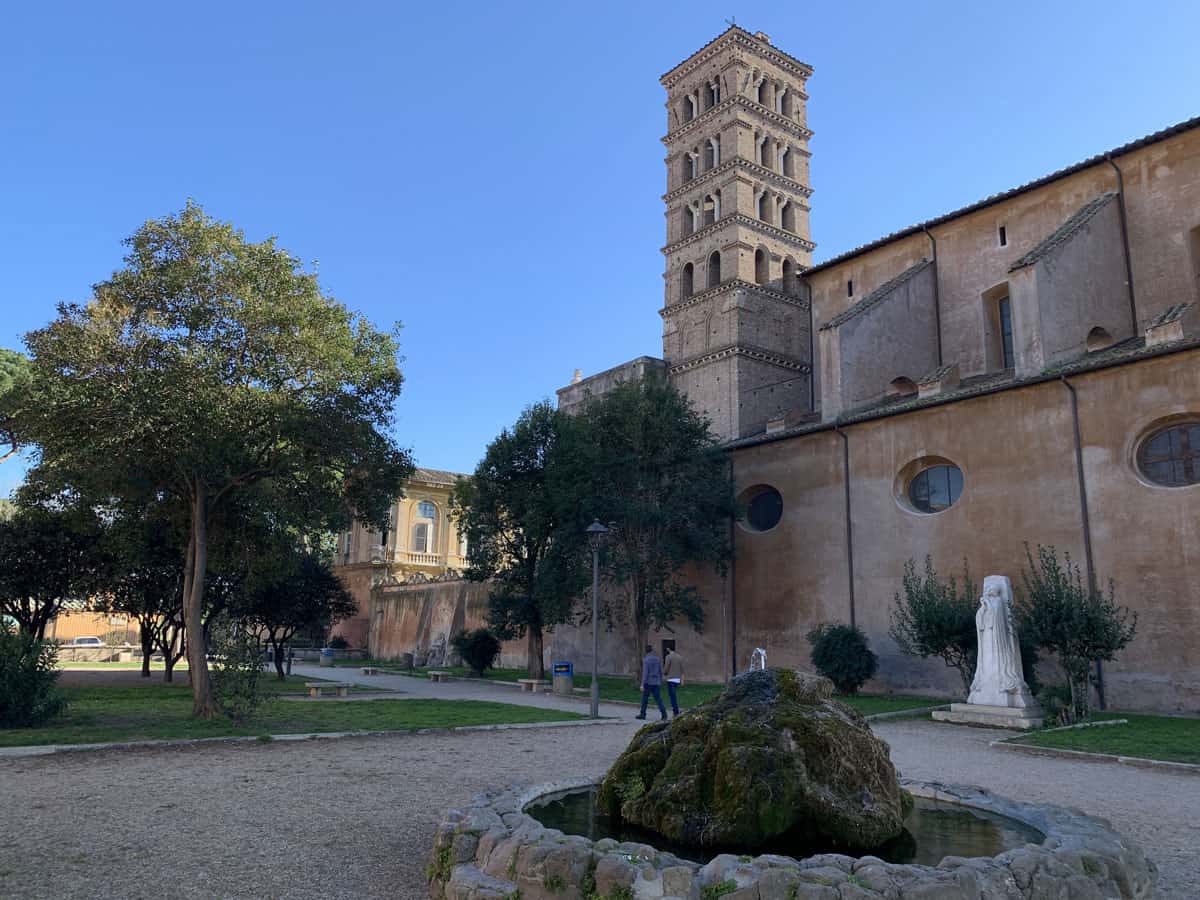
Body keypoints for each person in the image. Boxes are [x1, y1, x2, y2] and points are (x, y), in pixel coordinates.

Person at [635, 644, 667, 721]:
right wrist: (661, 680)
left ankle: (643, 714)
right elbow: (660, 671)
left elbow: (645, 673)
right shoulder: (658, 659)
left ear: (646, 651)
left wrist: (642, 684)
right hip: (656, 682)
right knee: (658, 699)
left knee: (645, 699)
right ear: (652, 650)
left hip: (648, 682)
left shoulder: (646, 660)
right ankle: (664, 714)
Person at [663, 645, 684, 716]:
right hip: (677, 679)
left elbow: (666, 668)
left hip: (670, 678)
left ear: (668, 649)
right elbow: (682, 669)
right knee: (674, 695)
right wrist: (682, 679)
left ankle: (676, 711)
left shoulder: (668, 657)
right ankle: (675, 711)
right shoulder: (679, 657)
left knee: (672, 696)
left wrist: (664, 673)